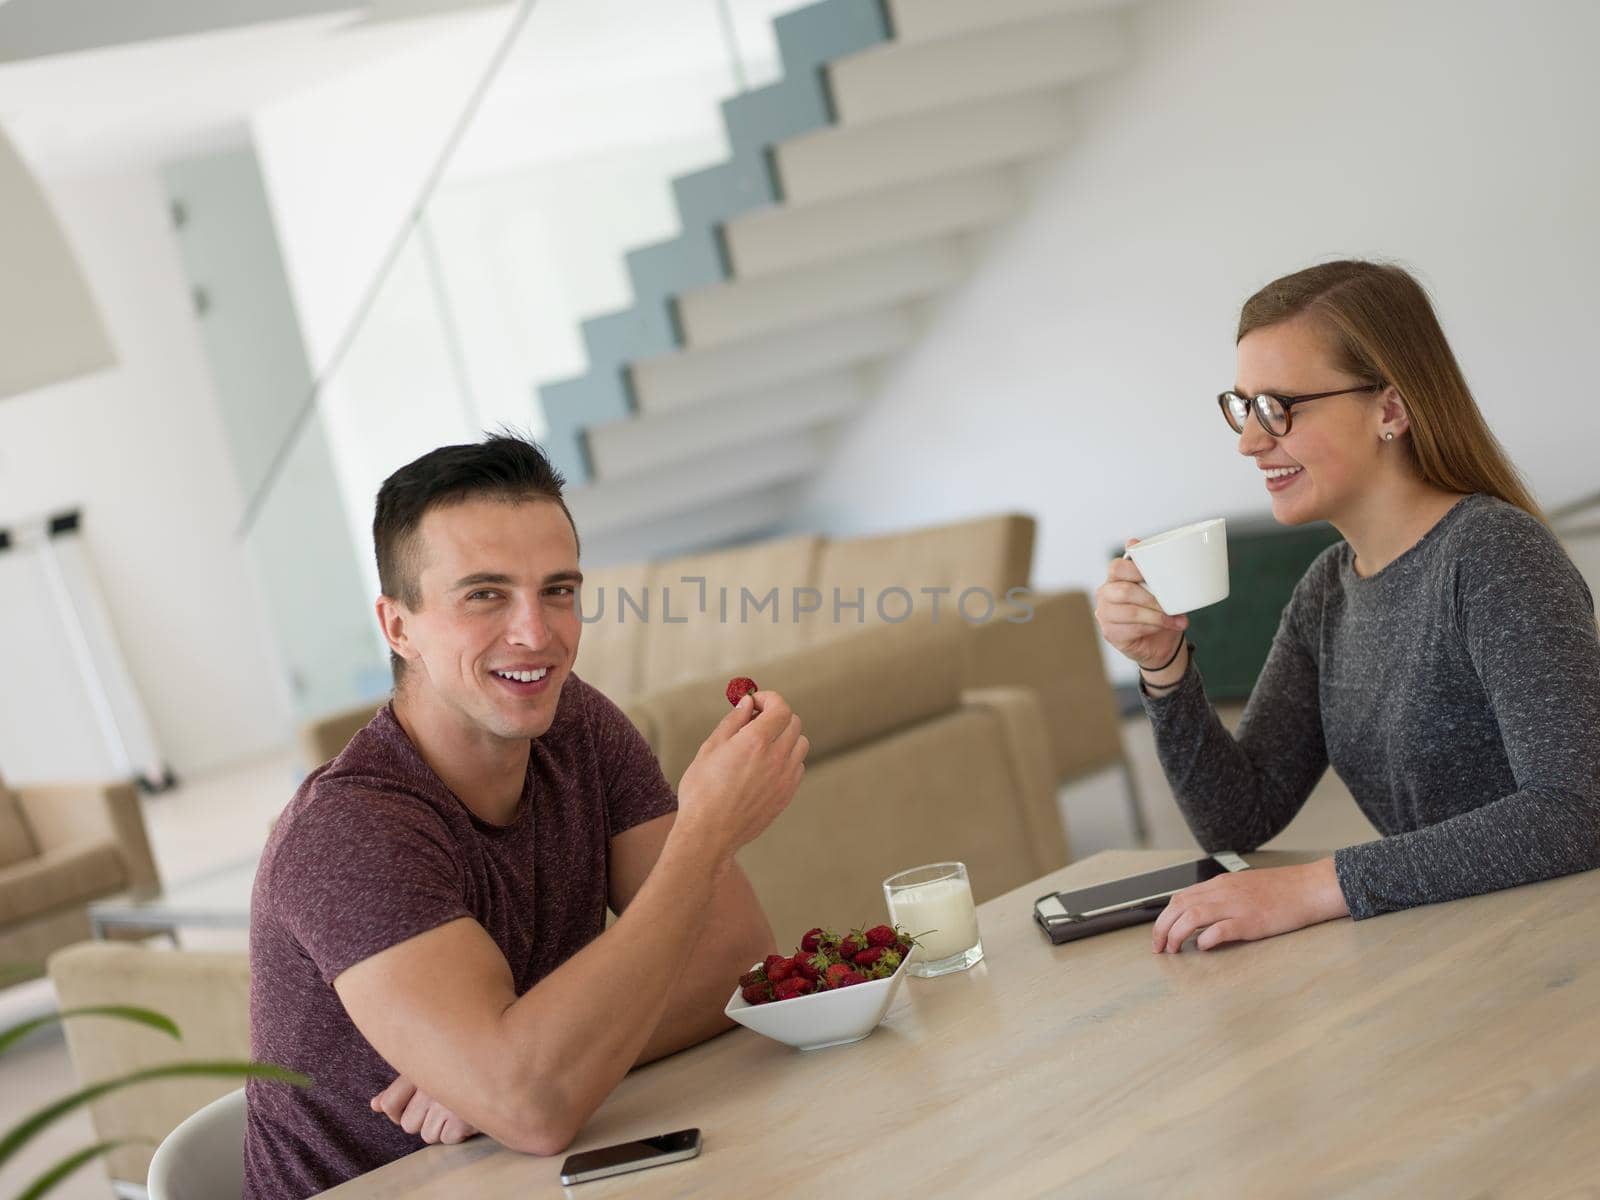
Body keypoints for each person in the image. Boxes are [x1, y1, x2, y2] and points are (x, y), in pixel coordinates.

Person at [244, 434, 807, 1198]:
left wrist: (525, 1070)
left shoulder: (576, 726)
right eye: (484, 594)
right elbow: (536, 1111)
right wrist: (704, 836)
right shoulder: (348, 833)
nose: (537, 634)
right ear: (397, 625)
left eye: (558, 590)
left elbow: (733, 967)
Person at [1094, 260, 1600, 954]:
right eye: (1242, 406)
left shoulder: (1494, 556)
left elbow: (1574, 812)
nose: (1248, 440)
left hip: (1555, 947)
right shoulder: (1328, 589)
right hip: (1451, 941)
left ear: (1389, 409)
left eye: (1279, 408)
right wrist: (1164, 668)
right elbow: (1240, 817)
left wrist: (1313, 887)